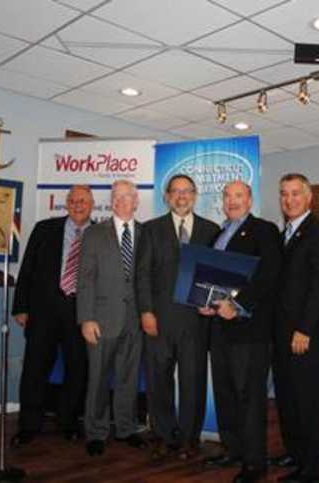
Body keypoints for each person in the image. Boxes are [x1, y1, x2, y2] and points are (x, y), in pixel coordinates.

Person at [200, 181, 282, 483]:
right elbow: (210, 279)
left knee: (249, 397)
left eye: (238, 196)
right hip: (220, 330)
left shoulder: (264, 230)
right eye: (227, 196)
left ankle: (254, 462)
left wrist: (237, 304)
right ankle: (232, 449)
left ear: (249, 200)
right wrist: (206, 303)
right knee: (225, 393)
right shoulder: (218, 235)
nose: (232, 201)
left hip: (249, 331)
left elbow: (269, 276)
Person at [135, 174, 220, 462]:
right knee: (158, 380)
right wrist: (146, 311)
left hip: (196, 320)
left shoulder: (212, 230)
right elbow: (142, 274)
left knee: (193, 381)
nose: (182, 197)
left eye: (187, 191)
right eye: (176, 192)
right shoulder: (150, 229)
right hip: (159, 319)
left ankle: (189, 438)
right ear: (167, 197)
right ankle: (163, 434)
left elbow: (216, 276)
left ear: (195, 196)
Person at [10, 184, 93, 446]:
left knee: (77, 369)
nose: (78, 204)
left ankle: (68, 422)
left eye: (83, 201)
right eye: (73, 200)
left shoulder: (101, 234)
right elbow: (27, 269)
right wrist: (20, 306)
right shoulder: (44, 229)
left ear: (91, 205)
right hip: (43, 311)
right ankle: (28, 426)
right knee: (35, 368)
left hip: (80, 311)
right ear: (66, 203)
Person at [271, 173, 319, 482]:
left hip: (308, 336)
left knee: (310, 402)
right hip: (283, 334)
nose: (289, 199)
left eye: (296, 194)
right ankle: (296, 453)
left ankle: (314, 467)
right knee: (289, 398)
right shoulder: (284, 234)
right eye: (284, 194)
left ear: (308, 197)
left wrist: (304, 329)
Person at [77, 180, 147, 456]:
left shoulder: (145, 233)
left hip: (135, 320)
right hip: (101, 319)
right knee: (98, 378)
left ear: (136, 201)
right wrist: (86, 318)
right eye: (116, 197)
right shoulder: (95, 234)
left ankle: (126, 428)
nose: (120, 201)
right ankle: (96, 432)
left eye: (126, 196)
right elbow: (85, 280)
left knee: (128, 378)